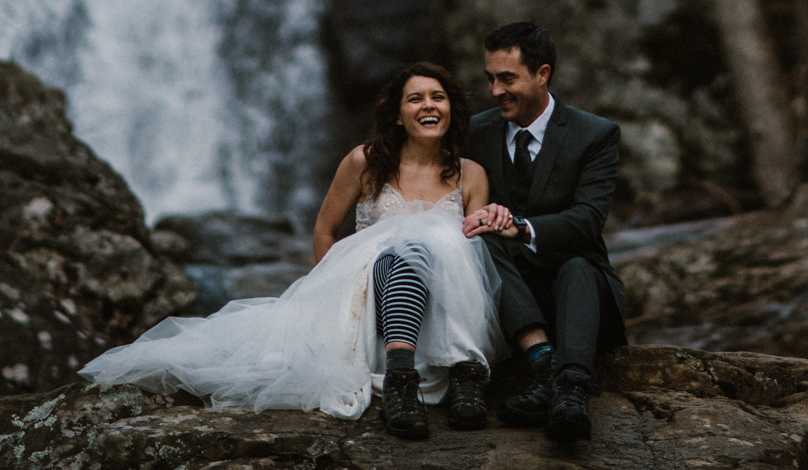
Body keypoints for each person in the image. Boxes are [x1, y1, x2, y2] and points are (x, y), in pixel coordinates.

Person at [81, 62, 504, 437]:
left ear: (452, 109)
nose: (428, 106)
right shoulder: (365, 162)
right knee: (404, 251)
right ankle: (400, 382)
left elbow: (475, 262)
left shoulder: (471, 175)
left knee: (447, 242)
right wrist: (330, 294)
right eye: (415, 99)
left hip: (442, 314)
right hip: (374, 307)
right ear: (397, 114)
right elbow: (324, 230)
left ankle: (466, 374)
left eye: (438, 97)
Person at [462, 20, 627, 444]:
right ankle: (543, 366)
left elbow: (589, 219)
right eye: (491, 79)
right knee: (478, 237)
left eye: (507, 79)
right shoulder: (474, 132)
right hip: (510, 302)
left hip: (582, 296)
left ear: (543, 74)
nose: (496, 91)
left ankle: (570, 391)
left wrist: (520, 226)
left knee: (576, 266)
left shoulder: (595, 134)